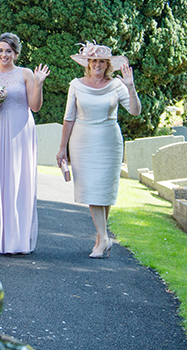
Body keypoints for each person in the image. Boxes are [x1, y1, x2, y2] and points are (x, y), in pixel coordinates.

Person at [56, 41, 141, 258]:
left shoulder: (117, 85)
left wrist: (131, 88)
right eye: (94, 61)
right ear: (88, 63)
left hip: (109, 140)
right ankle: (104, 238)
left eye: (101, 62)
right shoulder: (75, 84)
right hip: (82, 141)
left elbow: (134, 111)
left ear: (107, 65)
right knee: (92, 188)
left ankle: (101, 238)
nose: (97, 65)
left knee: (104, 191)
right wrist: (61, 148)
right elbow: (69, 117)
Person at [0, 33, 50, 254]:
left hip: (20, 130)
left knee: (17, 179)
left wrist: (38, 84)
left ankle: (17, 239)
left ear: (16, 53)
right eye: (0, 50)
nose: (4, 55)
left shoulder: (25, 74)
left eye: (8, 51)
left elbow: (35, 106)